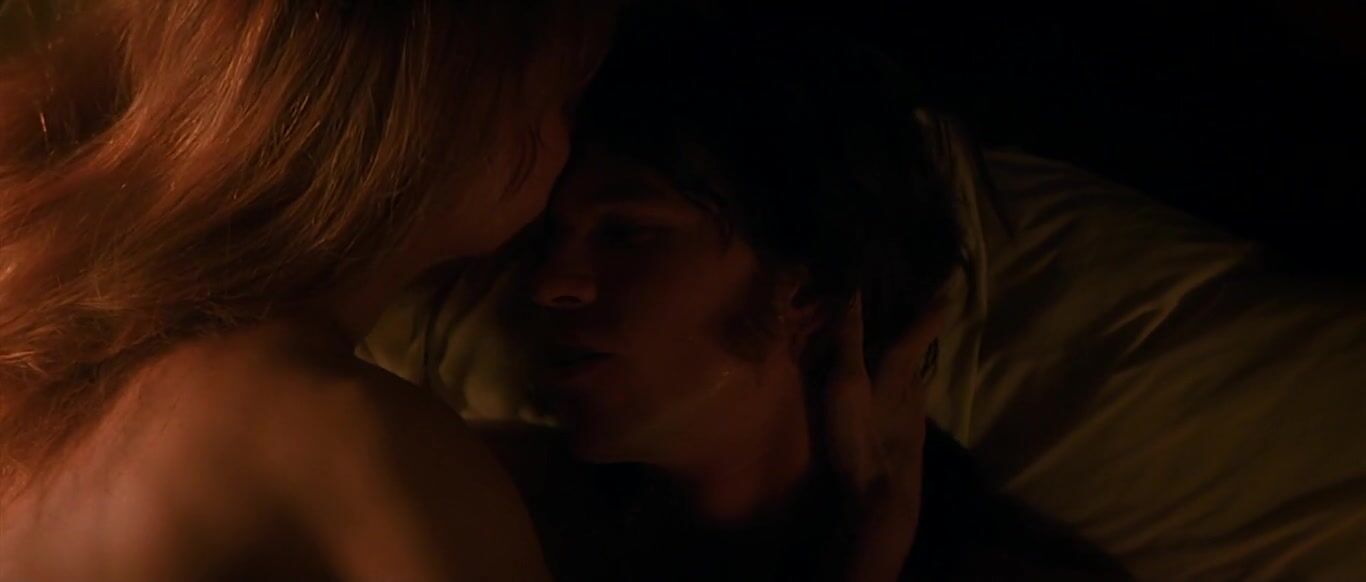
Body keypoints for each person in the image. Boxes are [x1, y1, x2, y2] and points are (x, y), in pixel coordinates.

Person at [482, 6, 1130, 580]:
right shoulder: (504, 515)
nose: (549, 284)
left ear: (808, 292)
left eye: (626, 234)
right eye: (549, 241)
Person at [0, 0, 613, 579]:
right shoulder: (353, 438)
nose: (570, 144)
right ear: (446, 117)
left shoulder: (87, 381)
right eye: (558, 100)